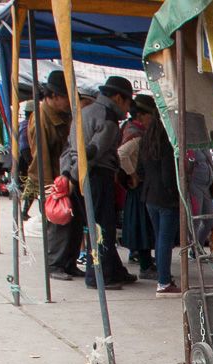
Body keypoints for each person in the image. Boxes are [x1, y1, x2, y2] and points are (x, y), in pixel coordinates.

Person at [60, 75, 137, 290]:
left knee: (98, 226)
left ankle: (114, 270)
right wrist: (74, 176)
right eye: (128, 103)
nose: (128, 110)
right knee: (102, 228)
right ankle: (99, 276)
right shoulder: (107, 119)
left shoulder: (84, 112)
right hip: (96, 175)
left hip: (82, 174)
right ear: (118, 98)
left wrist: (69, 174)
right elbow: (92, 152)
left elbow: (70, 149)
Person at [31, 70, 77, 280]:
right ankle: (54, 264)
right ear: (54, 96)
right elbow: (40, 158)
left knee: (71, 222)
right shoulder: (41, 118)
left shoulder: (61, 115)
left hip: (65, 178)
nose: (69, 102)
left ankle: (68, 262)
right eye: (66, 97)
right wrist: (49, 187)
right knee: (58, 223)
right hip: (53, 180)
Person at [139, 105, 180, 296]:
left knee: (160, 238)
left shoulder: (146, 140)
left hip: (150, 195)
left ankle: (164, 277)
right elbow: (168, 174)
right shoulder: (167, 141)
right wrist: (175, 192)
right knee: (165, 240)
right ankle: (164, 282)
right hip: (166, 198)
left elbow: (140, 170)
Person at [119, 94, 158, 276]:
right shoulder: (136, 135)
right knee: (142, 227)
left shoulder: (131, 129)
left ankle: (142, 259)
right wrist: (132, 174)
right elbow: (121, 154)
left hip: (139, 186)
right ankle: (145, 265)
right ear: (141, 115)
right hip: (139, 186)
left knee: (141, 226)